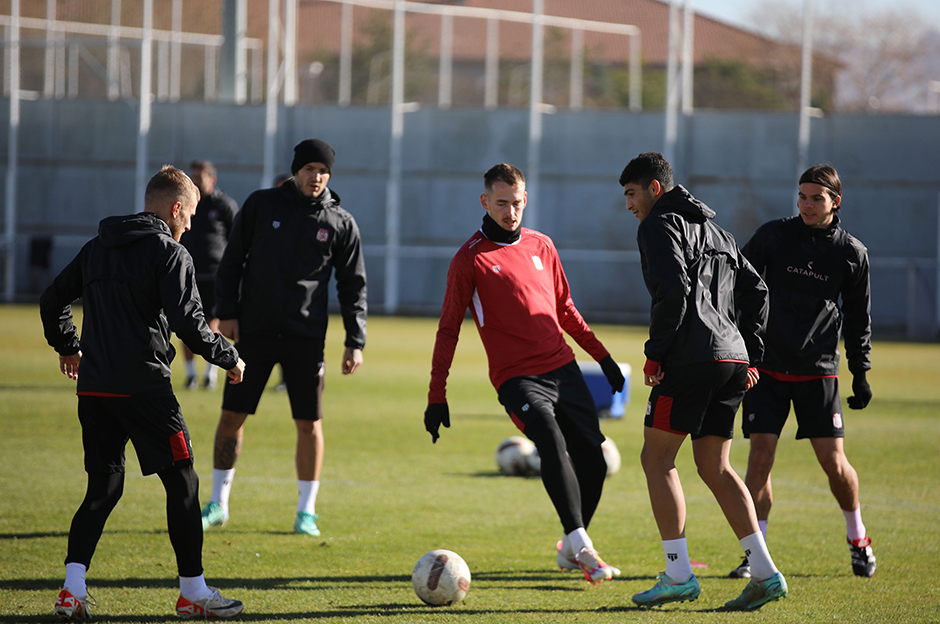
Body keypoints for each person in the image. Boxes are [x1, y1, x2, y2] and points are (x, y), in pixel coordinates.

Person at [39, 165, 247, 620]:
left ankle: (72, 591)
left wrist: (69, 347)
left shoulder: (97, 248)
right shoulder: (169, 253)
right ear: (175, 208)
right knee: (184, 482)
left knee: (104, 486)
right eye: (189, 215)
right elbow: (189, 322)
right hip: (146, 391)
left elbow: (52, 299)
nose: (191, 224)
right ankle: (193, 592)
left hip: (94, 391)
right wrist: (229, 356)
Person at [424, 163, 626, 585]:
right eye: (501, 204)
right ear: (484, 202)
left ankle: (571, 546)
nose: (510, 212)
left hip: (563, 367)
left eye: (516, 203)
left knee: (593, 457)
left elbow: (565, 308)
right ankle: (583, 546)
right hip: (517, 379)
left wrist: (603, 358)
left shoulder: (542, 245)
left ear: (526, 200)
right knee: (550, 440)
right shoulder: (469, 259)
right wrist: (436, 394)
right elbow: (447, 329)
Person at [619, 152, 787, 610]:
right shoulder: (719, 232)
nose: (630, 206)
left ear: (655, 188)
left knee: (657, 460)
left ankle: (678, 574)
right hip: (731, 360)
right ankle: (765, 572)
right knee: (715, 466)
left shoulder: (658, 225)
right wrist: (750, 354)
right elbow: (759, 291)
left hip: (692, 361)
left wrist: (656, 355)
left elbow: (671, 290)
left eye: (632, 194)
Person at [201, 138, 367, 538]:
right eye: (310, 169)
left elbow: (353, 284)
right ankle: (218, 503)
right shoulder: (261, 205)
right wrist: (229, 313)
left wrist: (354, 340)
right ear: (296, 170)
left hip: (306, 338)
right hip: (254, 332)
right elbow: (232, 262)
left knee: (309, 423)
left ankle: (306, 511)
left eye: (323, 171)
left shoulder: (340, 221)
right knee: (231, 417)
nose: (317, 176)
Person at [727, 163, 876, 580]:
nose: (807, 205)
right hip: (768, 369)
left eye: (817, 198)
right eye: (802, 197)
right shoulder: (774, 236)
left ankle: (858, 537)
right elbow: (738, 284)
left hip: (819, 372)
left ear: (835, 202)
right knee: (759, 460)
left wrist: (860, 372)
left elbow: (859, 319)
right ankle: (757, 554)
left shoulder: (851, 253)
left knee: (834, 463)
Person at [180, 160, 239, 391]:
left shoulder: (224, 205)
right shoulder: (185, 205)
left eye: (199, 177)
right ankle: (191, 374)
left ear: (211, 180)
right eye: (192, 177)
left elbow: (236, 239)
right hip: (187, 274)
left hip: (215, 275)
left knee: (212, 324)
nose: (195, 181)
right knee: (185, 324)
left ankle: (210, 374)